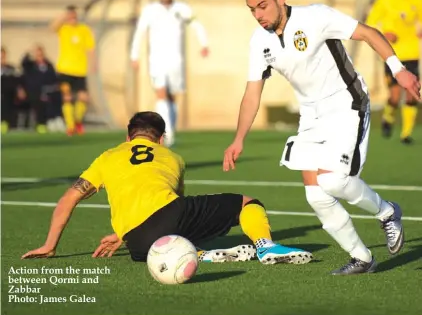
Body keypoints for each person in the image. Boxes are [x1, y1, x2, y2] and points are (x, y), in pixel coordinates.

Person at [223, 0, 420, 275]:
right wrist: (238, 139)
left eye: (262, 6)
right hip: (311, 114)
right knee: (315, 195)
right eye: (252, 9)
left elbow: (368, 33)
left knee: (333, 181)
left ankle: (387, 212)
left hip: (347, 103)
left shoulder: (315, 17)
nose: (258, 15)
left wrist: (398, 70)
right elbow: (252, 94)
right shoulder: (259, 41)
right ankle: (362, 258)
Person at [21, 111, 313, 265]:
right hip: (169, 217)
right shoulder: (173, 157)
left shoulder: (108, 157)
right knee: (247, 203)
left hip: (137, 244)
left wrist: (50, 246)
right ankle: (265, 247)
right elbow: (171, 207)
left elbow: (67, 200)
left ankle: (202, 256)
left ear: (128, 137)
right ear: (161, 138)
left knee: (164, 236)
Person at [130, 0, 209, 147]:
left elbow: (196, 25)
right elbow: (139, 32)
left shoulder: (182, 9)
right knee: (161, 93)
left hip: (176, 61)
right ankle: (166, 134)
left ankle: (170, 128)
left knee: (172, 97)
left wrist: (204, 44)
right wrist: (134, 55)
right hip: (157, 60)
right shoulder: (150, 10)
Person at [366, 0, 422, 144]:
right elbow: (370, 24)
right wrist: (386, 33)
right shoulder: (385, 1)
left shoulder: (416, 0)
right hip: (392, 55)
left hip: (412, 53)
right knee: (395, 95)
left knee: (413, 93)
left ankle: (406, 134)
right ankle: (388, 117)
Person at [50, 5, 96, 136]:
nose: (72, 18)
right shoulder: (63, 28)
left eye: (74, 16)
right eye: (70, 16)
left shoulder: (84, 29)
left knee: (83, 98)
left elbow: (90, 48)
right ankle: (70, 126)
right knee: (67, 97)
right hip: (64, 70)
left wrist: (94, 64)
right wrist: (63, 16)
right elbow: (52, 27)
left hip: (80, 71)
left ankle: (77, 121)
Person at [21, 45, 65, 133]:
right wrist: (28, 53)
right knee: (41, 101)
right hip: (36, 92)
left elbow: (54, 78)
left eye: (41, 55)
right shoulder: (30, 66)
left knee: (56, 97)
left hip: (50, 90)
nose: (39, 57)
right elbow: (24, 64)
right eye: (37, 55)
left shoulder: (48, 65)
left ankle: (57, 119)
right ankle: (44, 123)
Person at [1, 46, 26, 133]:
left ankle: (7, 123)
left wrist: (20, 90)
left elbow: (17, 82)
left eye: (3, 56)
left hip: (10, 95)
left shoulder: (10, 68)